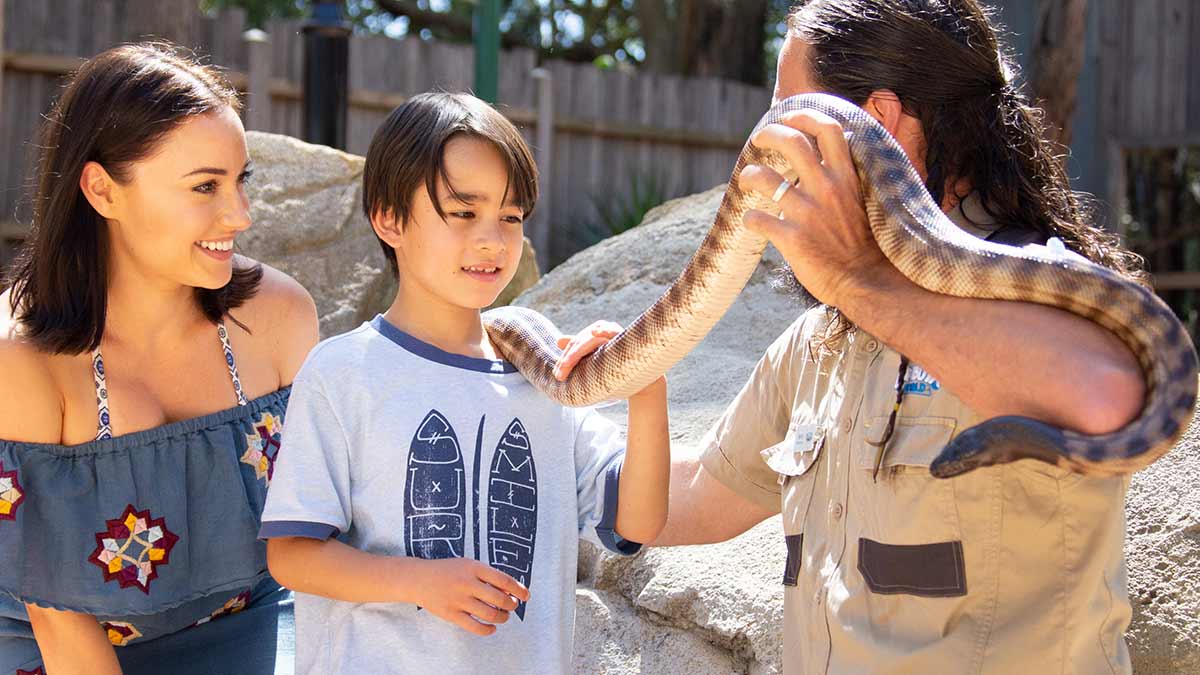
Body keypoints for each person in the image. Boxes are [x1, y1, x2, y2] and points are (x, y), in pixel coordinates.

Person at [601, 1, 1148, 673]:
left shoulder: (1045, 288)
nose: (768, 148)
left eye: (786, 114)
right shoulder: (820, 344)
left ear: (875, 123)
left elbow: (1112, 399)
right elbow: (669, 511)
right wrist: (638, 380)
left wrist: (860, 278)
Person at [259, 92, 670, 673]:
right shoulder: (341, 373)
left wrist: (646, 383)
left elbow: (639, 521)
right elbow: (292, 556)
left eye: (510, 216)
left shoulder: (544, 375)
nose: (492, 240)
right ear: (389, 218)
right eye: (463, 212)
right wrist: (418, 581)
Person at [0, 43, 318, 673]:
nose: (241, 215)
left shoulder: (279, 316)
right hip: (55, 647)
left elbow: (320, 528)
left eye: (240, 180)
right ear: (101, 190)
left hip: (254, 620)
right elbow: (61, 628)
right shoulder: (20, 360)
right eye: (205, 186)